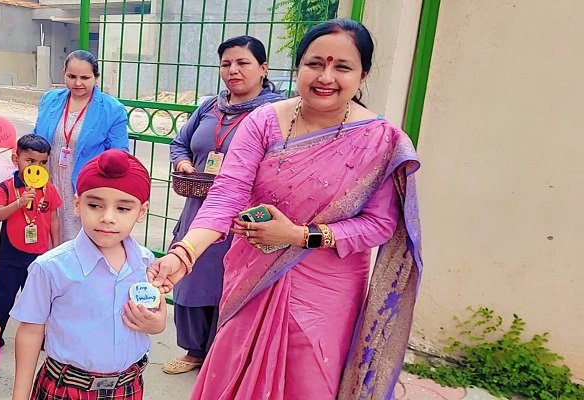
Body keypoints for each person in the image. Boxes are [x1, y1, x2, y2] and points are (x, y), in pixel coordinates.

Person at [148, 19, 423, 399]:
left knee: (309, 381)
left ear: (363, 75)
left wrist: (299, 235)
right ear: (297, 68)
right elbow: (228, 193)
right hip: (252, 275)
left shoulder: (380, 140)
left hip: (328, 289)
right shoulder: (263, 121)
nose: (325, 76)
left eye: (342, 67)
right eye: (314, 64)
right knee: (234, 370)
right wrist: (184, 253)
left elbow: (378, 225)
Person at [163, 35, 285, 375]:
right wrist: (183, 161)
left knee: (229, 282)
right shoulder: (209, 106)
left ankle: (224, 353)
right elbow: (179, 143)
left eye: (243, 63)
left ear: (263, 69)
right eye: (226, 63)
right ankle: (194, 350)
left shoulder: (274, 113)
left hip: (242, 215)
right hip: (199, 209)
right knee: (189, 274)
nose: (233, 70)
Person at [11, 149, 165, 400]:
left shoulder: (145, 262)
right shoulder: (51, 267)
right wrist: (19, 396)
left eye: (123, 209)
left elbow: (154, 308)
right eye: (94, 205)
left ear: (142, 211)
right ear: (77, 203)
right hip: (65, 388)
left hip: (128, 386)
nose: (107, 218)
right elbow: (30, 331)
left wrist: (157, 323)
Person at [33, 50, 130, 242]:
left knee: (78, 243)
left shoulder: (111, 109)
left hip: (84, 187)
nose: (78, 83)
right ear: (64, 73)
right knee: (46, 239)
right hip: (48, 182)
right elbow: (36, 137)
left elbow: (120, 154)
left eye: (85, 77)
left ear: (96, 77)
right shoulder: (50, 100)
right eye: (72, 76)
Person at [0, 134, 62, 347]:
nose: (36, 167)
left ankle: (38, 338)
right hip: (10, 253)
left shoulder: (49, 188)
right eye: (30, 161)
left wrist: (55, 248)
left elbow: (54, 219)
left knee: (38, 300)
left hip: (39, 254)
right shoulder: (6, 186)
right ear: (16, 159)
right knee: (3, 296)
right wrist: (19, 202)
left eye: (42, 163)